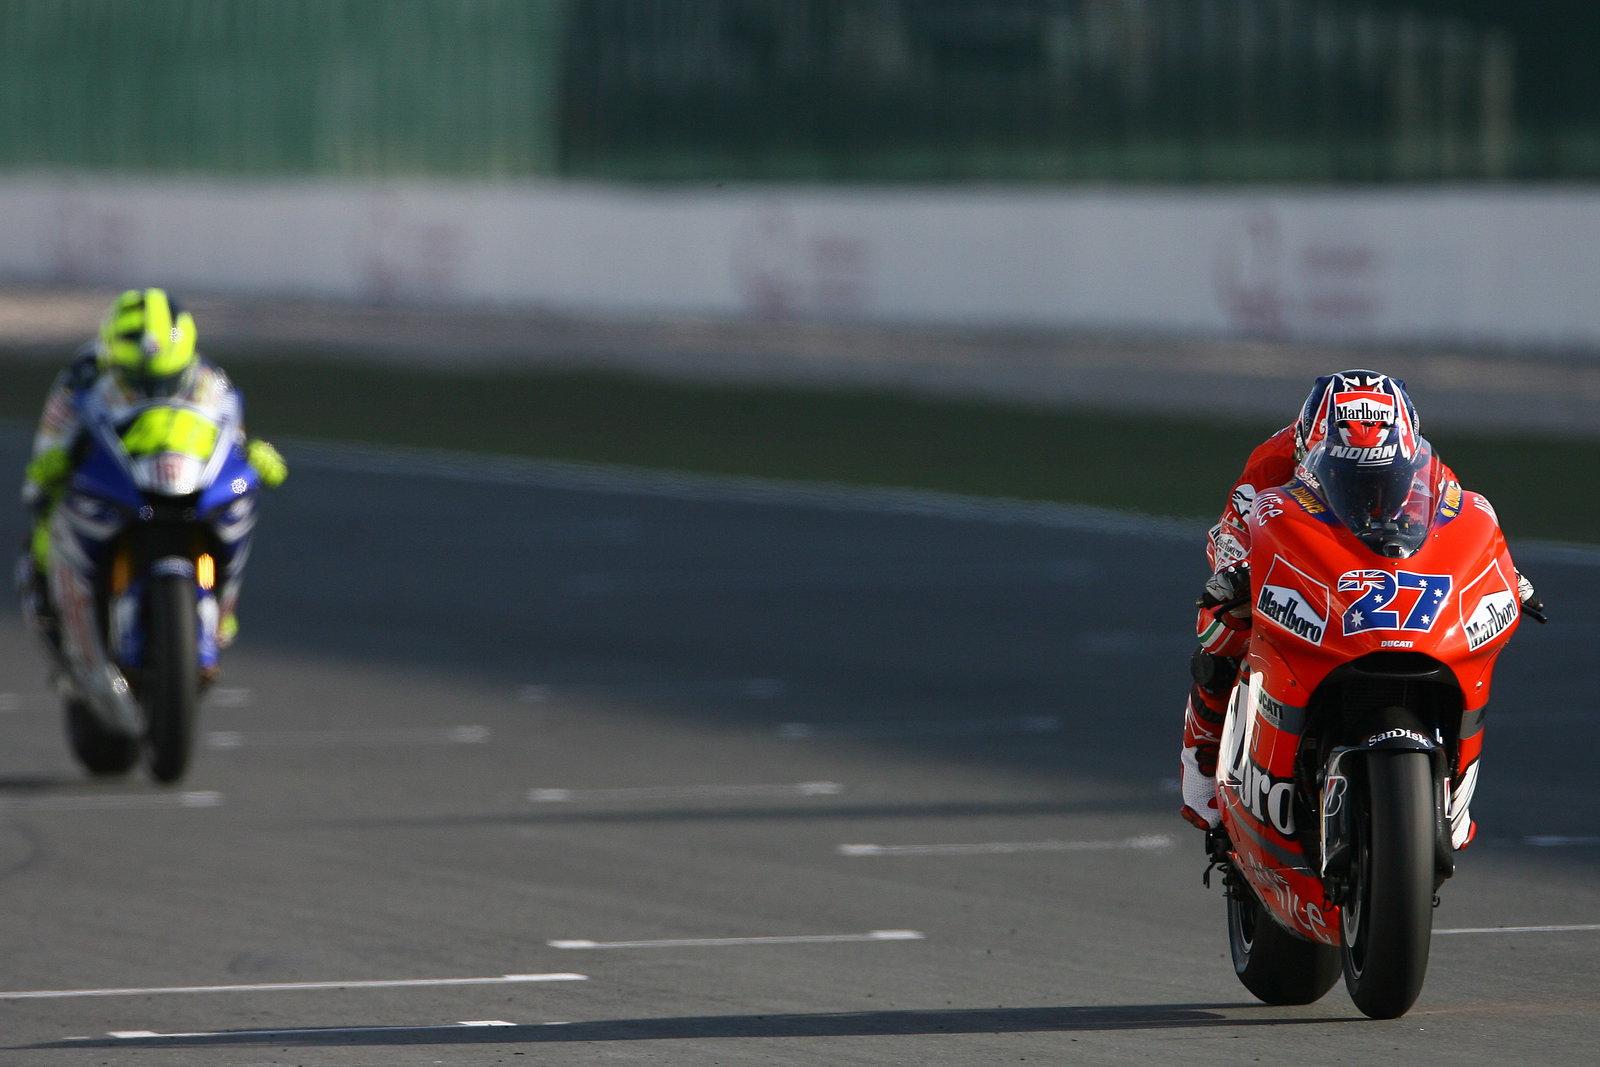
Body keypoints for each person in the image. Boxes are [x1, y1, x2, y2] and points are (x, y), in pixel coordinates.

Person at [1177, 369, 1540, 849]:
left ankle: (1450, 787)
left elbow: (1456, 531)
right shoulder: (1270, 465)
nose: (1370, 482)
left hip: (1383, 577)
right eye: (1351, 469)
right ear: (1310, 445)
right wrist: (1239, 573)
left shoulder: (1430, 469)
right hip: (1305, 555)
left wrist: (1505, 576)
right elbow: (1231, 537)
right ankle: (1201, 764)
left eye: (1383, 471)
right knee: (1221, 630)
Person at [17, 287, 287, 662]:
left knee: (237, 500)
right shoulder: (82, 375)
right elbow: (51, 440)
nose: (155, 389)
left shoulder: (208, 377)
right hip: (110, 476)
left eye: (167, 379)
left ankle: (221, 607)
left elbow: (229, 434)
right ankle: (54, 605)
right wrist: (50, 467)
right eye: (140, 381)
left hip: (179, 478)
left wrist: (253, 455)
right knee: (45, 520)